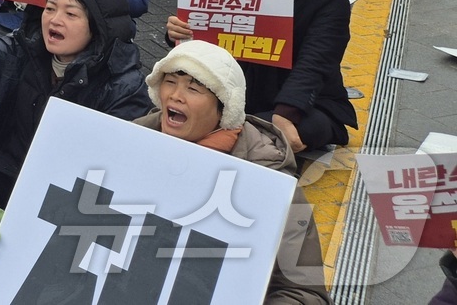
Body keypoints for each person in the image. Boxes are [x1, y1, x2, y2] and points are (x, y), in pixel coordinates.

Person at [0, 0, 151, 221]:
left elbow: (116, 170)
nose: (55, 20)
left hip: (63, 192)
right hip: (13, 166)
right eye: (50, 8)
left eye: (71, 14)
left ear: (98, 28)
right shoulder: (27, 49)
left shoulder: (124, 84)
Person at [137, 41, 332, 305]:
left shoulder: (268, 180)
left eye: (193, 88)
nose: (175, 96)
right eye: (170, 82)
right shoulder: (126, 148)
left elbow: (305, 293)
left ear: (224, 110)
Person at [167, 0, 356, 153]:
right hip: (231, 95)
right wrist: (178, 33)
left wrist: (286, 113)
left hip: (299, 103)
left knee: (266, 134)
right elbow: (200, 41)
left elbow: (314, 63)